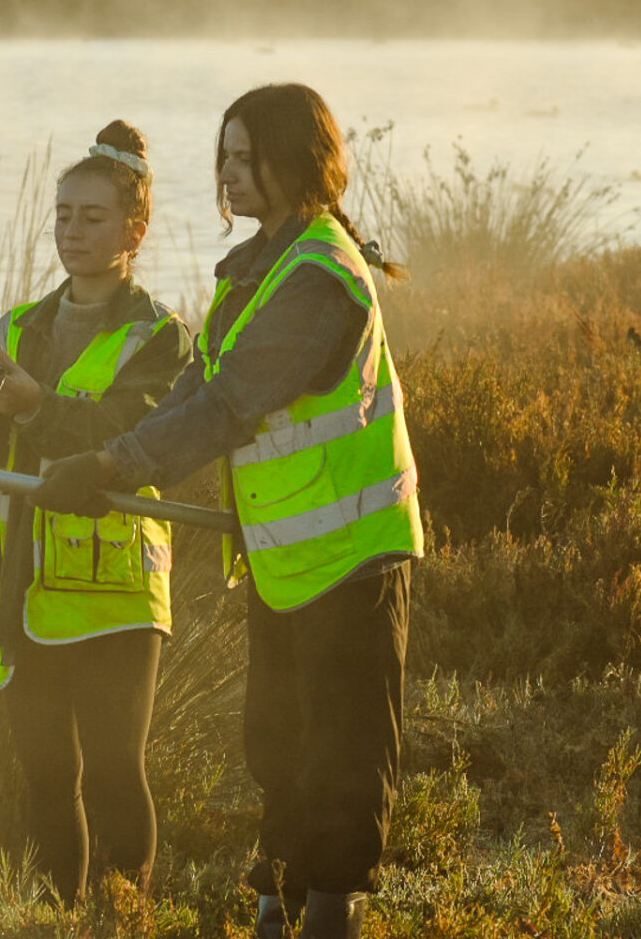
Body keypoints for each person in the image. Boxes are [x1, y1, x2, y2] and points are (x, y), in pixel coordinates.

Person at [34, 84, 423, 939]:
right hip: (287, 567)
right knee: (277, 757)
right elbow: (193, 390)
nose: (229, 173)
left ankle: (326, 921)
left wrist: (113, 464)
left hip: (353, 562)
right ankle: (272, 916)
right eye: (225, 156)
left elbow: (228, 406)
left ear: (298, 160)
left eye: (247, 157)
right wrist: (118, 458)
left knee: (342, 773)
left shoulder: (320, 274)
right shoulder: (258, 268)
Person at [0, 120, 192, 906]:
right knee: (46, 781)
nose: (73, 233)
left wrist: (40, 408)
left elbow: (141, 436)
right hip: (19, 584)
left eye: (93, 218)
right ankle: (54, 922)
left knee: (115, 775)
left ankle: (126, 922)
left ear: (134, 230)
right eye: (63, 215)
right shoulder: (14, 328)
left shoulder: (162, 338)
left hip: (115, 591)